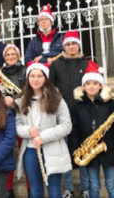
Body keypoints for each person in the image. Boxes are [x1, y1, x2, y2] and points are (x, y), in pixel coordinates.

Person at [69, 60, 114, 198]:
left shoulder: (111, 103)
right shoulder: (77, 105)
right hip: (89, 150)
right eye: (88, 84)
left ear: (101, 85)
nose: (91, 86)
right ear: (83, 86)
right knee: (93, 185)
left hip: (109, 150)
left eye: (95, 83)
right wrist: (76, 150)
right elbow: (75, 130)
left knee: (111, 184)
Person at [15, 62, 73, 198]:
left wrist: (43, 136)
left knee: (54, 191)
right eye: (32, 76)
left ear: (45, 78)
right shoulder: (21, 100)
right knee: (35, 191)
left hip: (52, 149)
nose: (35, 79)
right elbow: (17, 126)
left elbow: (66, 125)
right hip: (30, 150)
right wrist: (28, 131)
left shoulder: (56, 98)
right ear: (28, 78)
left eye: (39, 76)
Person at [49, 30, 90, 198]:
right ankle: (68, 188)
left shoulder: (87, 63)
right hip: (62, 115)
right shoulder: (56, 65)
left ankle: (86, 188)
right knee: (64, 152)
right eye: (68, 44)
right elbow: (50, 88)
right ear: (63, 46)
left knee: (84, 151)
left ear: (79, 45)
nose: (71, 47)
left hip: (84, 114)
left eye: (74, 43)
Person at [0, 44, 30, 198]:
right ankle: (8, 188)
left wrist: (15, 101)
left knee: (26, 152)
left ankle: (31, 187)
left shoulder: (25, 71)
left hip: (22, 115)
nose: (10, 57)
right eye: (7, 55)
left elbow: (29, 90)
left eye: (13, 54)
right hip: (6, 116)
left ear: (18, 56)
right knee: (7, 153)